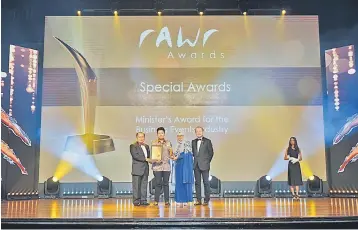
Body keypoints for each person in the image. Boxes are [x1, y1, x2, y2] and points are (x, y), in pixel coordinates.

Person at [129, 132, 155, 206]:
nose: (141, 138)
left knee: (144, 185)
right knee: (136, 186)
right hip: (137, 169)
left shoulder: (146, 146)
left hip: (145, 169)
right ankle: (136, 201)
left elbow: (149, 157)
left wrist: (153, 160)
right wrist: (146, 159)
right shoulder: (133, 146)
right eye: (139, 137)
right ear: (137, 138)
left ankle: (143, 200)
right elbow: (135, 156)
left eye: (142, 137)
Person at [192, 126, 214, 206]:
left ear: (202, 132)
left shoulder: (207, 141)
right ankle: (198, 200)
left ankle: (206, 200)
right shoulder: (193, 142)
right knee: (197, 183)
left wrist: (207, 161)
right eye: (197, 131)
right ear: (195, 133)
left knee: (206, 182)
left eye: (200, 131)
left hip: (205, 165)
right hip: (196, 165)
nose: (198, 132)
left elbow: (211, 153)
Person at [151, 127, 174, 206]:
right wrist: (155, 159)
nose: (161, 134)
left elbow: (171, 154)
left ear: (164, 134)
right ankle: (156, 200)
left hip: (166, 166)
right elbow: (152, 155)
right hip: (157, 166)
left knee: (166, 183)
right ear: (157, 134)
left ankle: (167, 201)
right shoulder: (154, 143)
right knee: (158, 183)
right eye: (159, 133)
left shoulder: (168, 143)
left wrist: (172, 154)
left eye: (162, 133)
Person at [173, 132, 194, 206]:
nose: (180, 137)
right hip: (178, 166)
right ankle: (179, 200)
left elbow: (187, 155)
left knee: (185, 181)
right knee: (179, 182)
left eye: (181, 136)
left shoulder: (187, 143)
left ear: (184, 136)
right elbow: (174, 155)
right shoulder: (176, 145)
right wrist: (173, 157)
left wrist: (178, 157)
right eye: (178, 136)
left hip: (185, 166)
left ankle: (186, 200)